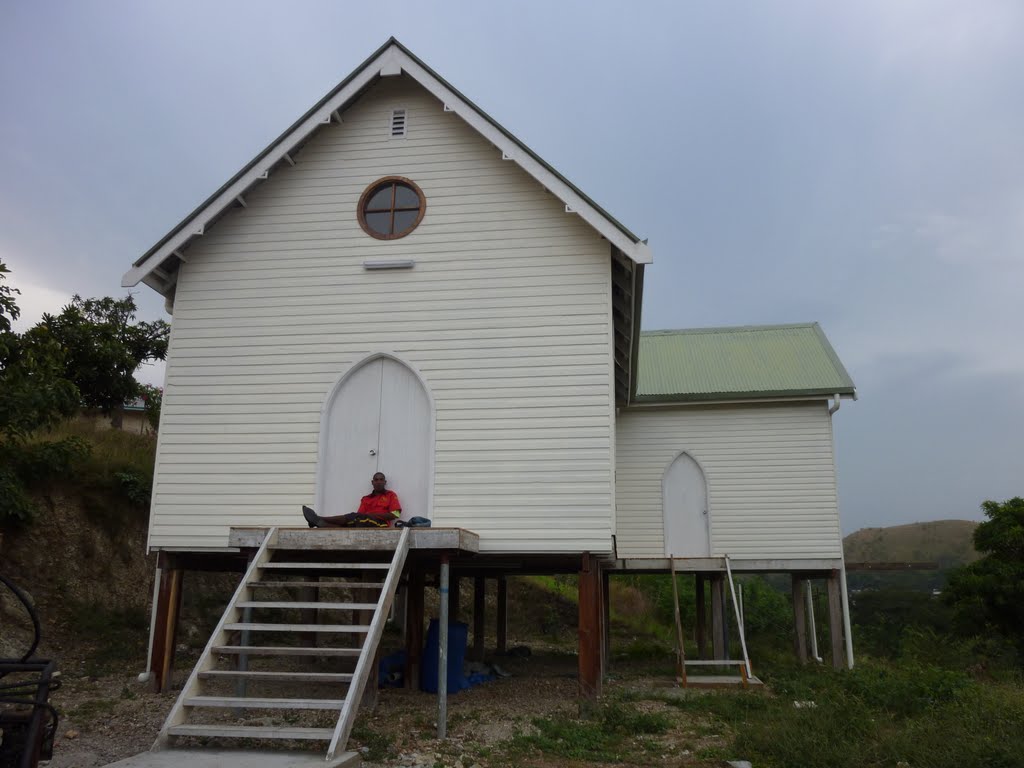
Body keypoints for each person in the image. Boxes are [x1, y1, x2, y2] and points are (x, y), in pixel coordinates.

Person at [302, 472, 402, 528]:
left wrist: (372, 515)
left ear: (385, 482)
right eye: (376, 480)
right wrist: (365, 516)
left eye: (381, 479)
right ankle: (321, 523)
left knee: (355, 517)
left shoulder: (390, 495)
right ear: (372, 482)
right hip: (366, 522)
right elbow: (360, 516)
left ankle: (319, 518)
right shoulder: (366, 498)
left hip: (381, 524)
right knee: (353, 522)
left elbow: (395, 515)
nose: (379, 482)